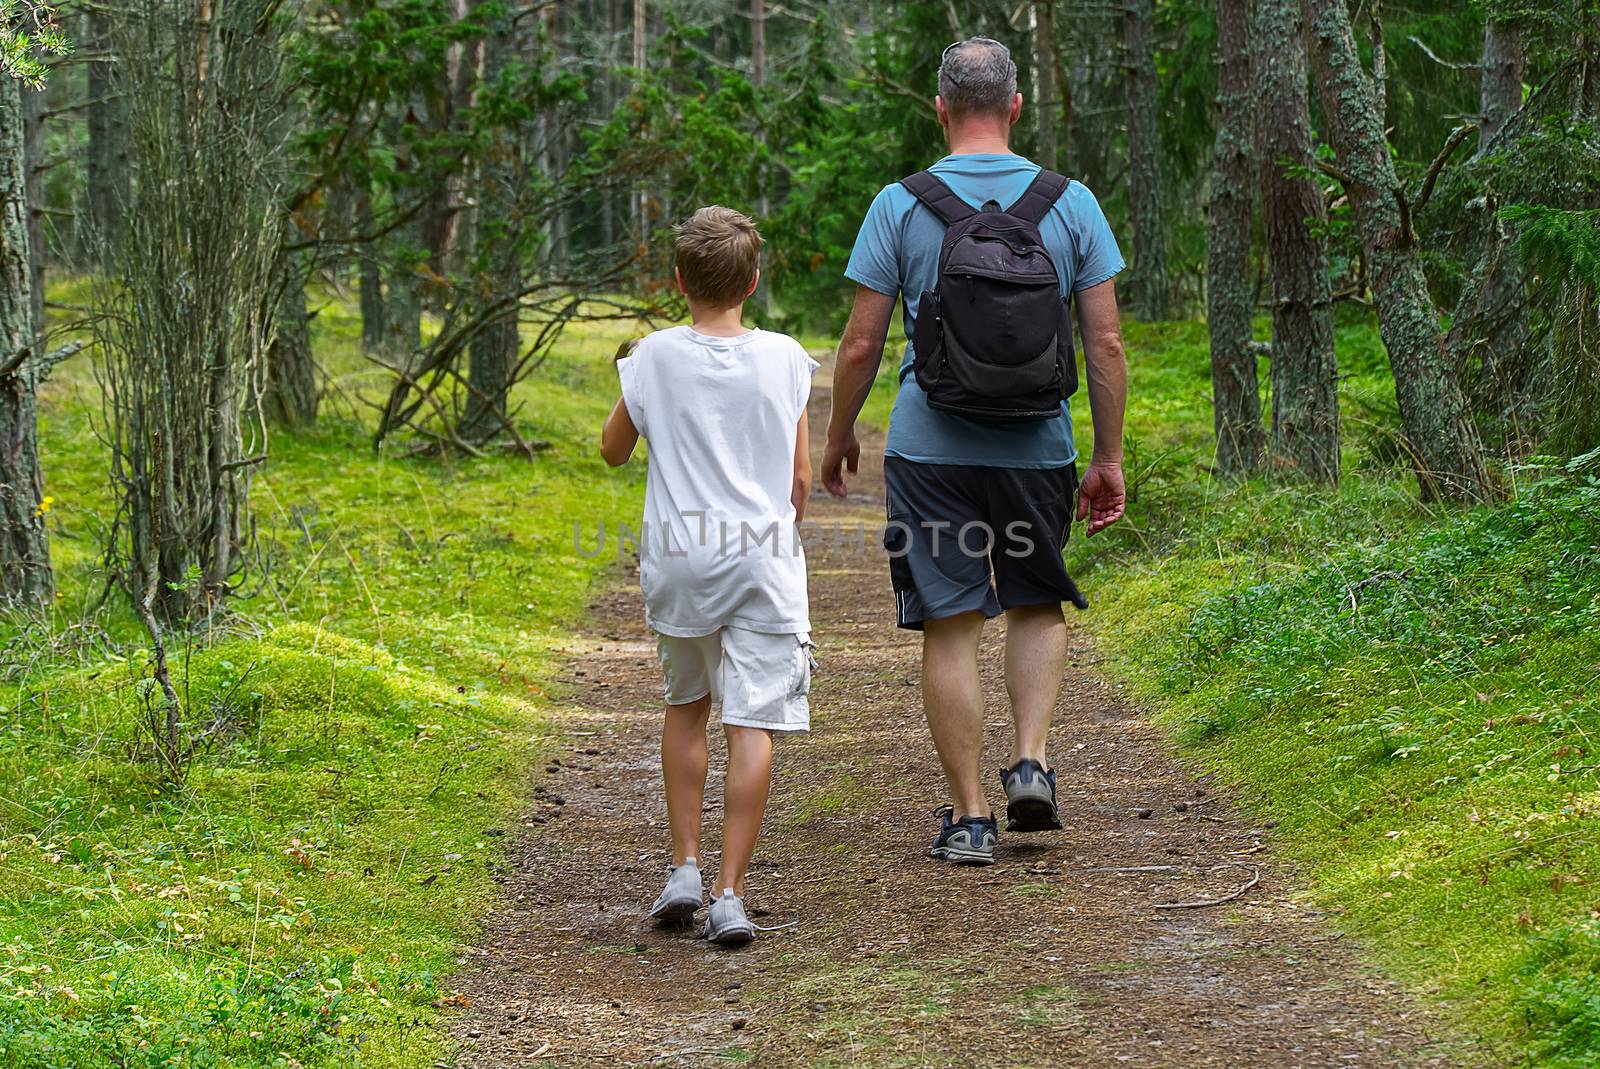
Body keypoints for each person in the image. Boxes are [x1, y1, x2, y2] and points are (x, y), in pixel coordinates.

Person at [820, 38, 1130, 866]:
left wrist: (841, 432)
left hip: (931, 452)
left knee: (950, 624)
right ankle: (1030, 761)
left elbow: (859, 344)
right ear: (1017, 106)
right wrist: (1107, 456)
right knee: (1035, 601)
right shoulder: (1071, 204)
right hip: (1039, 449)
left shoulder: (900, 203)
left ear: (942, 107)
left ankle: (969, 818)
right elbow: (1103, 346)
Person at [601, 206, 818, 943]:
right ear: (753, 281)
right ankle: (730, 892)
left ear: (678, 280)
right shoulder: (787, 357)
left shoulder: (653, 356)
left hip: (681, 557)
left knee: (687, 702)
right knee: (750, 719)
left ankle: (683, 865)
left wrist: (638, 379)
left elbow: (611, 449)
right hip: (760, 554)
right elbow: (800, 479)